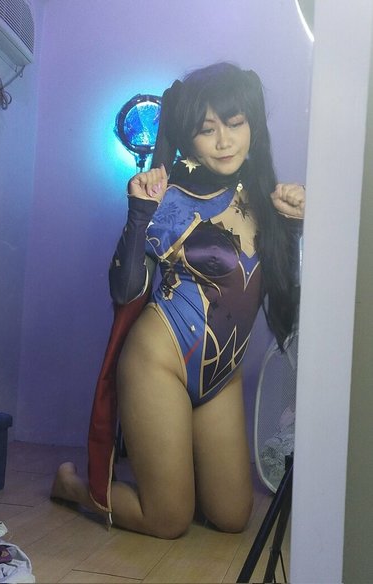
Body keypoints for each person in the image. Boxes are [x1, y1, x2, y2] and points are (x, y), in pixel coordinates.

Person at [51, 62, 305, 539]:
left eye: (235, 123)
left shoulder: (269, 202)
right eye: (207, 130)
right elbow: (122, 290)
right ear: (188, 136)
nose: (224, 141)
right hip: (158, 360)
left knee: (232, 518)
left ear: (252, 125)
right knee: (168, 521)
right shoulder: (168, 195)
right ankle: (73, 486)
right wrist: (138, 212)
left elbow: (288, 310)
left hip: (222, 376)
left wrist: (293, 228)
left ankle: (175, 479)